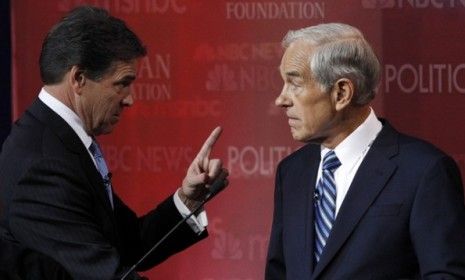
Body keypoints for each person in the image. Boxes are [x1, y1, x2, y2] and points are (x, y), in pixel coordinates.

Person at [0, 6, 228, 280]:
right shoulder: (43, 161)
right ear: (79, 78)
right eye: (122, 83)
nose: (130, 99)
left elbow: (128, 243)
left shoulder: (61, 142)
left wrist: (187, 199)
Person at [265, 23, 465, 279]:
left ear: (341, 93)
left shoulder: (424, 171)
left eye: (294, 84)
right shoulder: (292, 172)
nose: (281, 99)